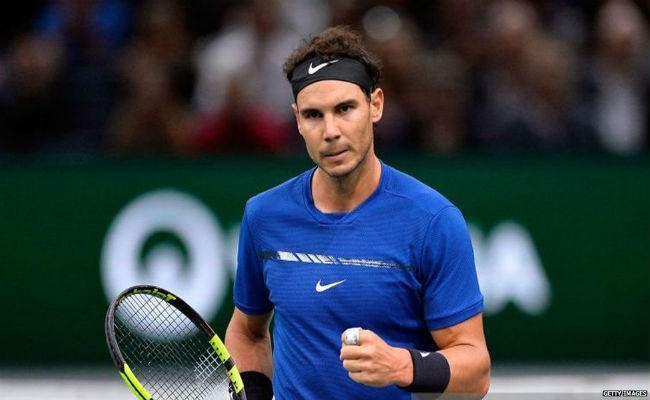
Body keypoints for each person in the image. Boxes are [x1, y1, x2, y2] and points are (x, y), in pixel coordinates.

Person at [224, 25, 490, 399]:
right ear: (297, 120)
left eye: (345, 109)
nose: (330, 131)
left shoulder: (433, 221)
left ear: (375, 105)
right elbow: (247, 332)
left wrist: (402, 366)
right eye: (313, 115)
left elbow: (476, 371)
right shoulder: (263, 216)